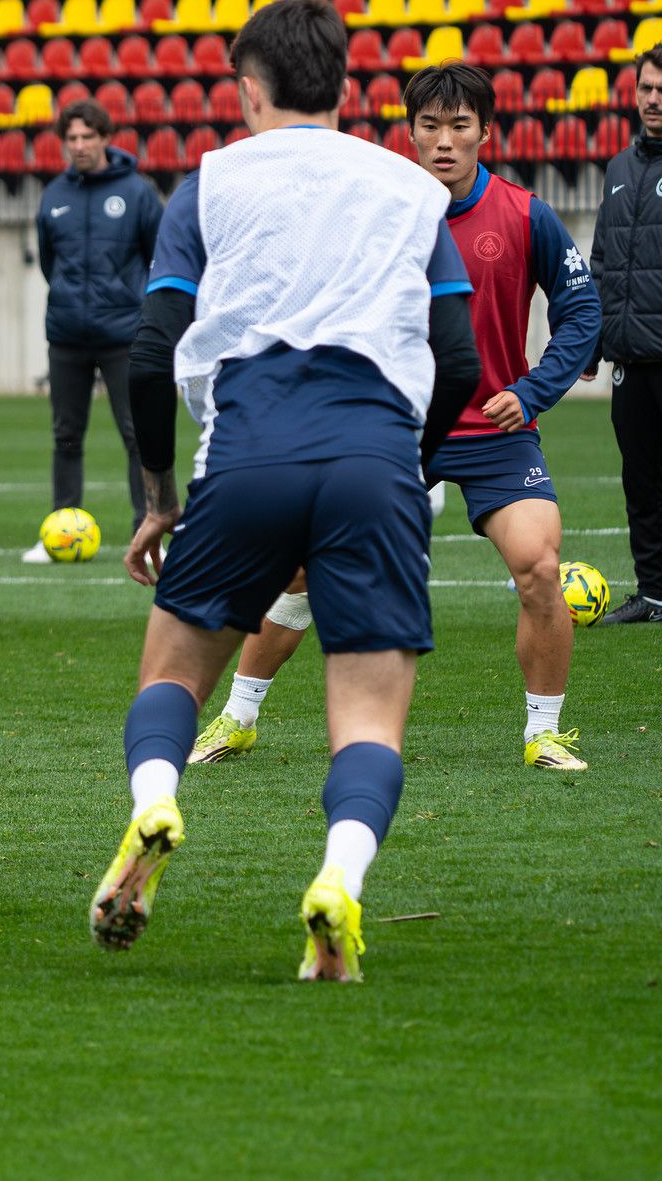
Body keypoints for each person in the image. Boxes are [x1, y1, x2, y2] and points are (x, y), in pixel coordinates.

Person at [86, 0, 481, 981]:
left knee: (173, 675)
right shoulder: (405, 187)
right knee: (366, 715)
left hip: (246, 450)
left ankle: (152, 803)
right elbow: (458, 357)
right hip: (373, 456)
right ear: (343, 88)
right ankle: (337, 882)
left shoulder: (208, 183)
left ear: (247, 87)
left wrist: (155, 497)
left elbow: (148, 354)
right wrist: (409, 464)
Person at [187, 62, 600, 771]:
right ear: (409, 133)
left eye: (459, 126)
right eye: (430, 126)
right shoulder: (371, 212)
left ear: (485, 132)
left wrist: (532, 392)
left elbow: (581, 310)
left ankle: (545, 732)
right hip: (390, 420)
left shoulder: (526, 214)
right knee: (298, 573)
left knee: (539, 565)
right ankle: (238, 716)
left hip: (492, 427)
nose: (444, 141)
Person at [22, 99, 162, 563]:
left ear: (105, 138)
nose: (79, 146)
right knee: (66, 434)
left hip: (124, 333)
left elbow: (156, 256)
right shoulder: (53, 194)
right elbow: (48, 261)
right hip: (66, 334)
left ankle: (148, 526)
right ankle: (61, 528)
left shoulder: (138, 193)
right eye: (72, 139)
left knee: (135, 434)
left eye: (88, 137)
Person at [589, 46, 662, 624]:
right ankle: (654, 594)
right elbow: (602, 262)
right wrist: (591, 342)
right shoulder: (617, 169)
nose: (654, 99)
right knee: (640, 483)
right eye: (646, 89)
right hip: (629, 358)